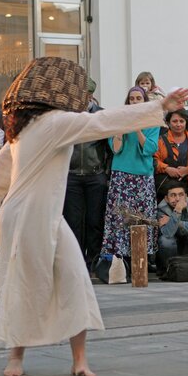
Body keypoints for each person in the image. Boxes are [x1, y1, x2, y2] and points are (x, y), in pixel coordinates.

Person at [0, 56, 188, 376]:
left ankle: (79, 360)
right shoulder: (54, 123)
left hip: (41, 217)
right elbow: (103, 123)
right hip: (25, 217)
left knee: (75, 279)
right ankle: (17, 357)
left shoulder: (31, 126)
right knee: (23, 285)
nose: (84, 99)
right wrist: (160, 109)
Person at [100, 87, 160, 265]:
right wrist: (122, 128)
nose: (135, 101)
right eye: (132, 99)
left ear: (144, 101)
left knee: (141, 217)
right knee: (120, 218)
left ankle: (141, 259)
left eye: (138, 98)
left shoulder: (152, 122)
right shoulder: (119, 120)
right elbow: (115, 149)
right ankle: (119, 261)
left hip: (142, 178)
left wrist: (137, 128)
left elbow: (150, 149)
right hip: (122, 176)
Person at [63, 78, 111, 272]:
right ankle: (75, 263)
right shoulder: (66, 115)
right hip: (72, 174)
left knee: (94, 221)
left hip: (95, 174)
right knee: (73, 221)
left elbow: (109, 146)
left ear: (91, 96)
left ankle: (93, 262)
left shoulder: (101, 115)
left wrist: (105, 172)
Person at [156, 182, 188, 278]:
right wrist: (177, 210)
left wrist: (176, 222)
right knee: (165, 240)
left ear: (186, 196)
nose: (178, 199)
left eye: (181, 195)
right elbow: (167, 233)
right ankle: (170, 269)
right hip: (172, 245)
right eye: (173, 195)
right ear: (166, 198)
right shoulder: (162, 208)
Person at [153, 109, 188, 203]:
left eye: (181, 121)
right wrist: (167, 169)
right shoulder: (160, 141)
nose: (178, 124)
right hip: (165, 192)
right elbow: (154, 161)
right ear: (168, 123)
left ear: (186, 122)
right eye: (174, 121)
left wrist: (187, 170)